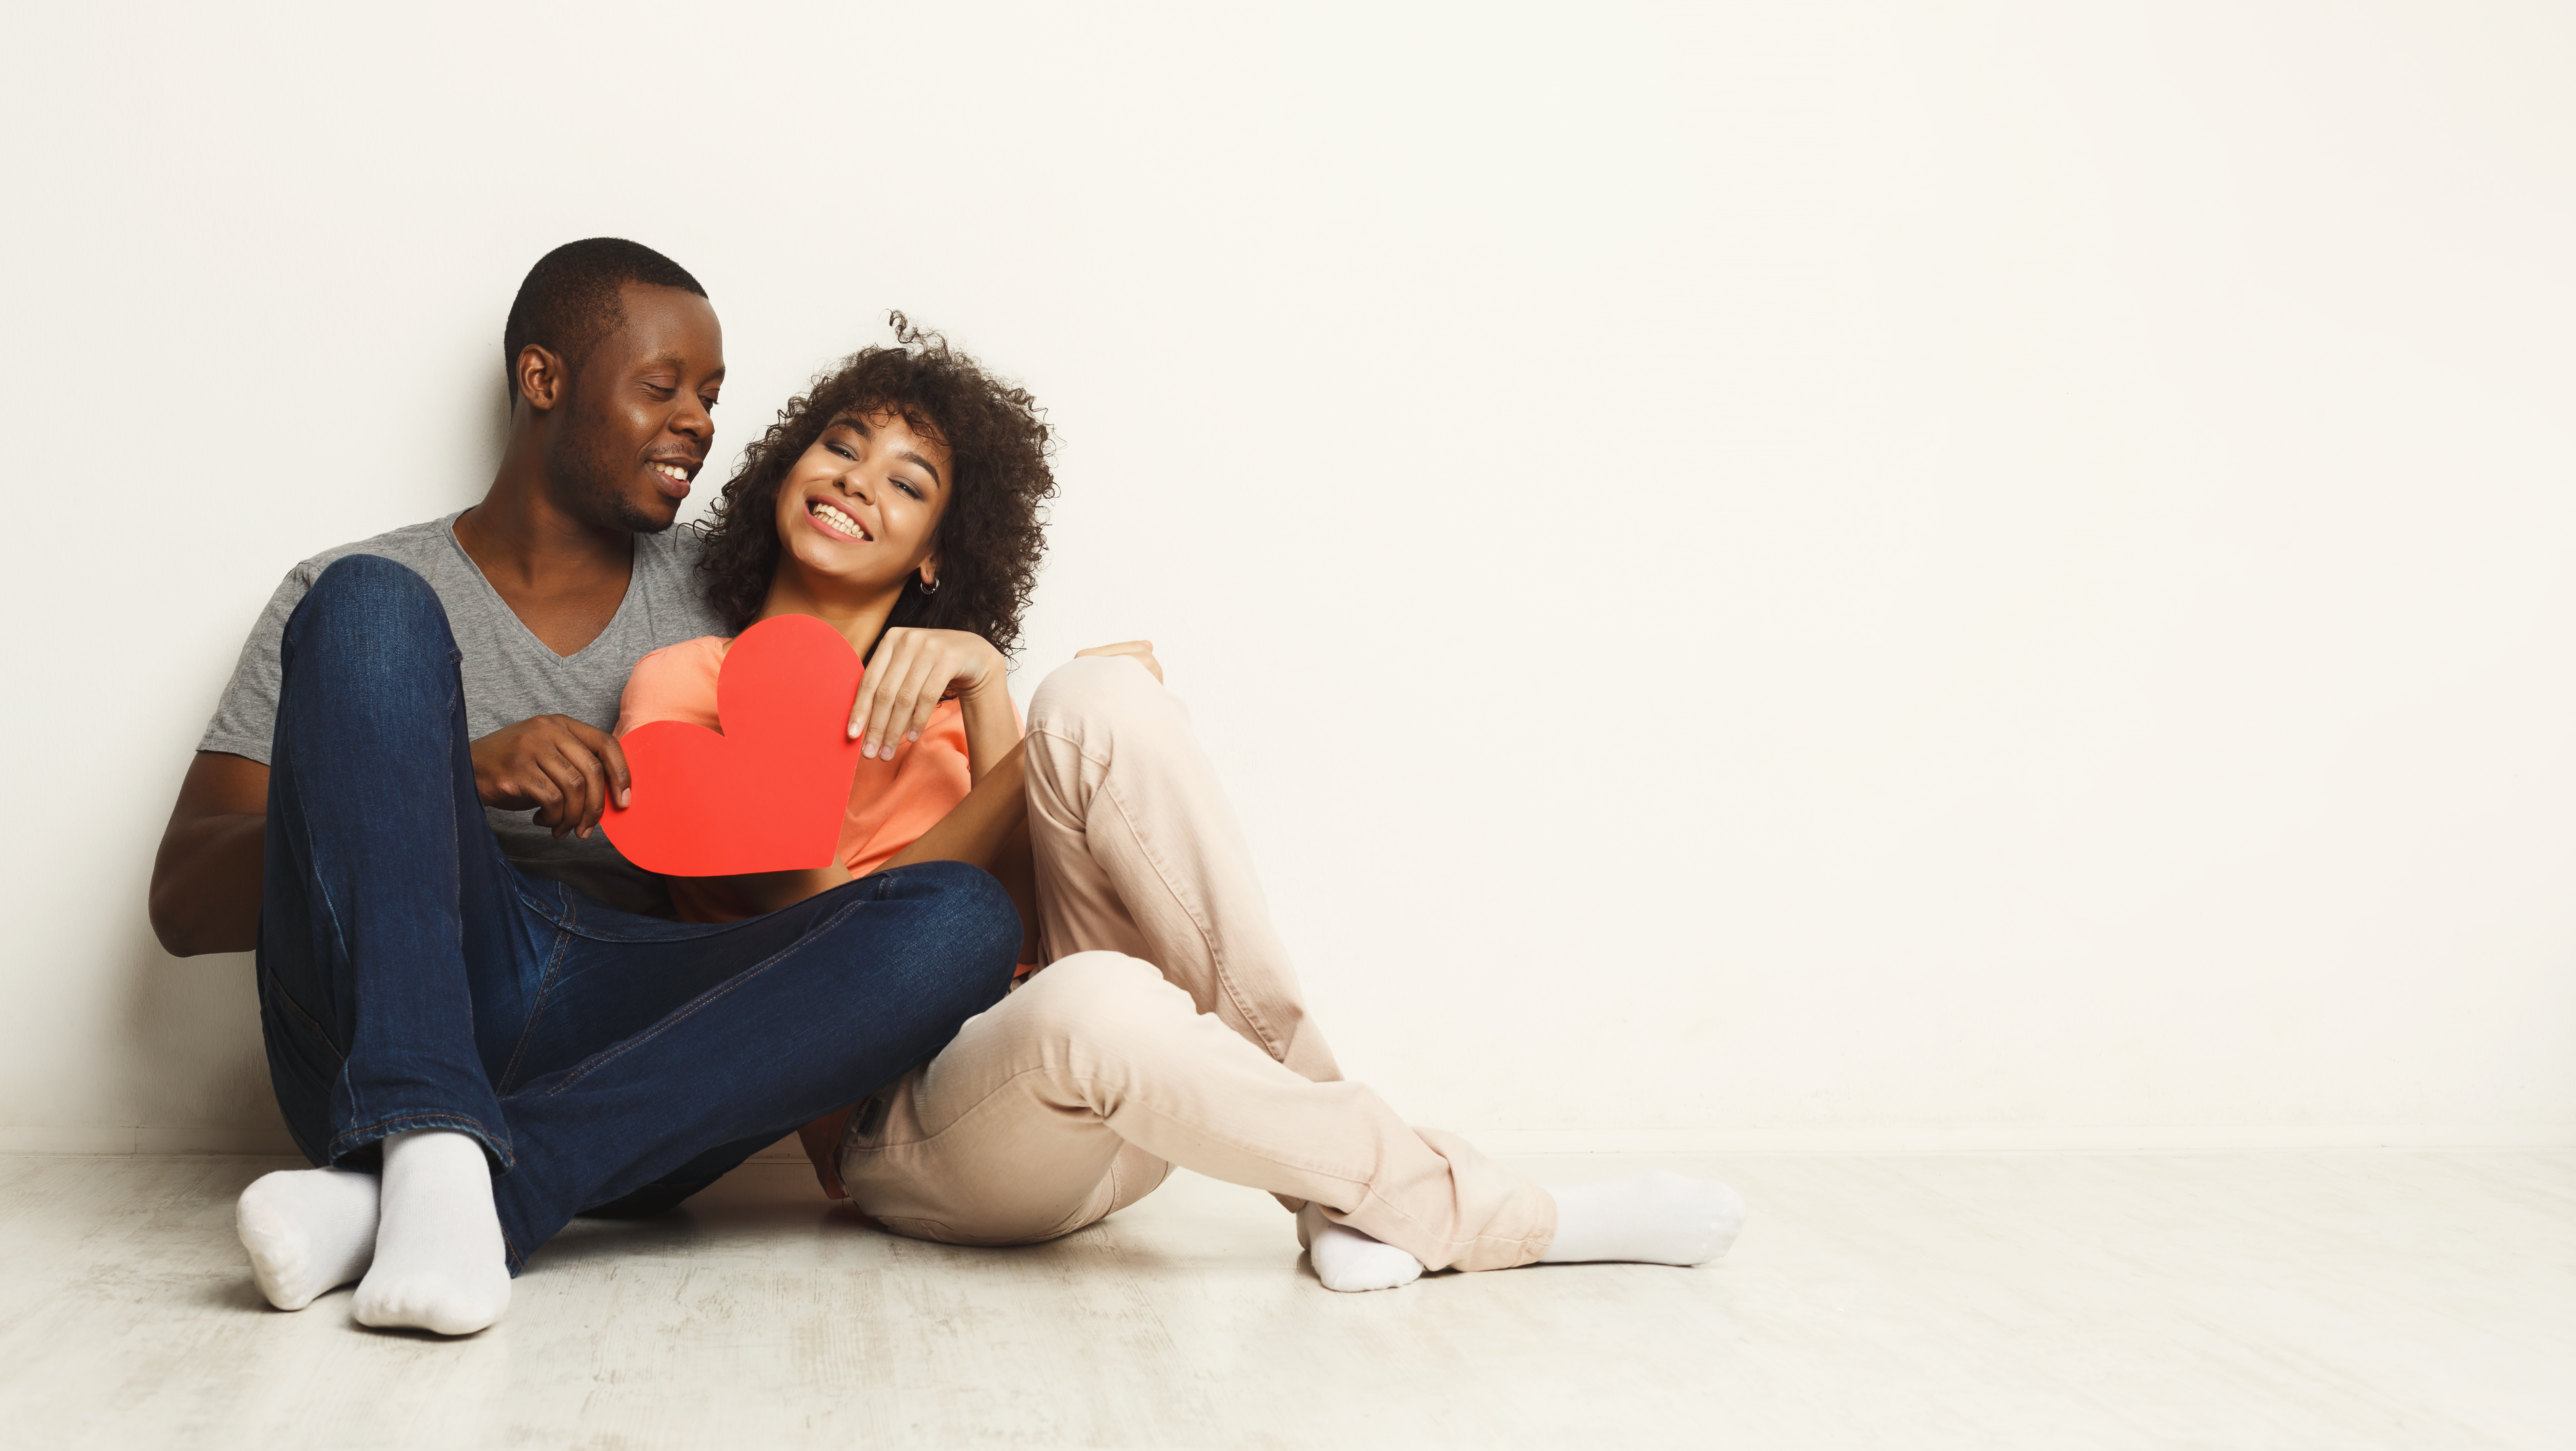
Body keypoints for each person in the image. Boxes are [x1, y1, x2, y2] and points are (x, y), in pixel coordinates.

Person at [619, 317, 1748, 1292]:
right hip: (916, 1135)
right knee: (1099, 997)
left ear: (932, 559)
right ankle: (1488, 1213)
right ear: (787, 473)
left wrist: (997, 695)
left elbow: (1002, 930)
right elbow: (841, 959)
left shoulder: (961, 721)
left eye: (907, 483)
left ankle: (1343, 1188)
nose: (862, 481)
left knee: (1100, 695)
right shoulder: (690, 689)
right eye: (843, 447)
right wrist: (993, 686)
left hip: (1129, 1084)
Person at [148, 243, 1020, 1336]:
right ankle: (424, 1123)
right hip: (385, 1015)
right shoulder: (347, 601)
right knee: (376, 605)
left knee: (961, 920)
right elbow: (183, 905)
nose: (699, 423)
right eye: (663, 389)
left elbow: (830, 816)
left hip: (628, 1030)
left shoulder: (736, 590)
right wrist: (450, 776)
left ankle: (445, 1197)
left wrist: (986, 676)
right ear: (544, 380)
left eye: (711, 398)